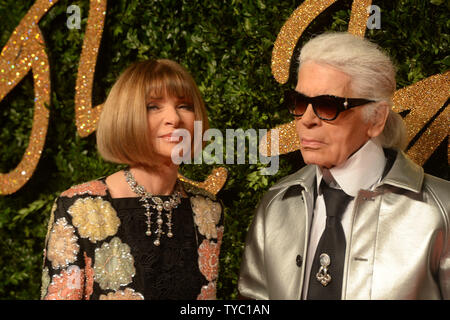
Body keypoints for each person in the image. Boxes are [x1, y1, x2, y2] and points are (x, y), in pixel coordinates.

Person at [238, 32, 449, 300]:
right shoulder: (276, 205)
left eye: (328, 106)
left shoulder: (443, 211)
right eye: (300, 103)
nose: (307, 120)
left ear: (376, 119)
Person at [41, 59, 223, 300]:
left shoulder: (208, 210)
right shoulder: (78, 207)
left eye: (184, 106)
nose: (174, 118)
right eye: (153, 106)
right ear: (126, 116)